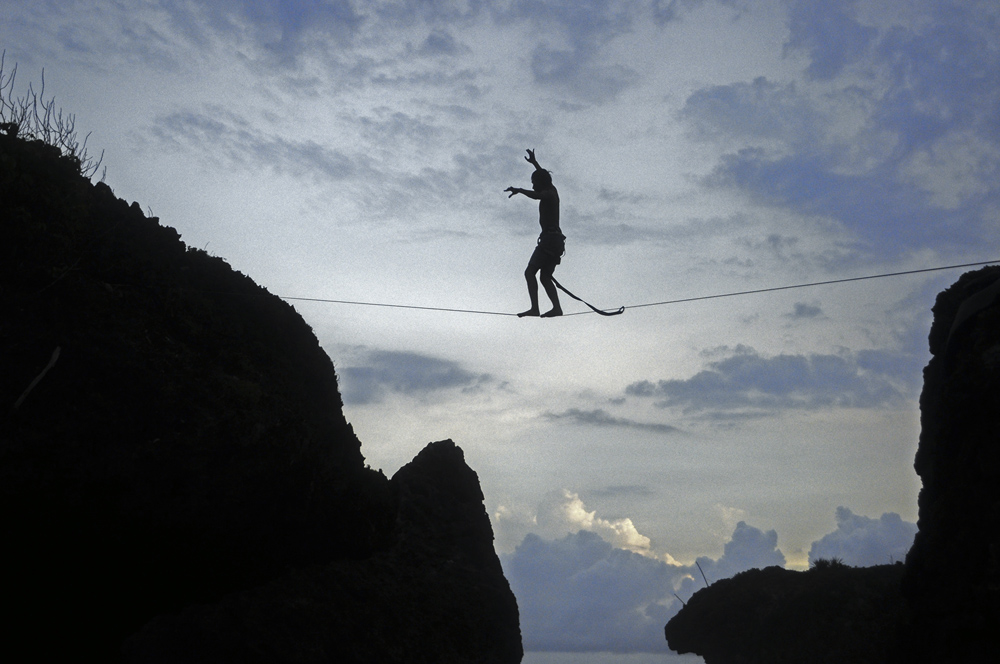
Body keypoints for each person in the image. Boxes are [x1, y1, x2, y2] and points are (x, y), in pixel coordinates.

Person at [505, 149, 564, 318]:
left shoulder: (548, 194)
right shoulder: (553, 189)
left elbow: (537, 195)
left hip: (550, 240)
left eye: (534, 182)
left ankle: (534, 308)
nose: (533, 185)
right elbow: (543, 178)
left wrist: (521, 190)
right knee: (545, 277)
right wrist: (535, 163)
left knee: (529, 273)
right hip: (556, 242)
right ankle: (557, 308)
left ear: (540, 182)